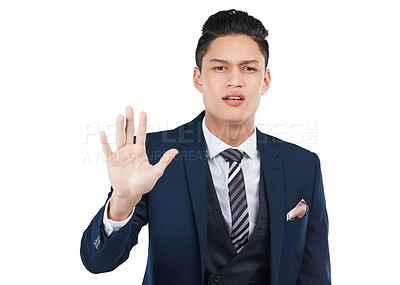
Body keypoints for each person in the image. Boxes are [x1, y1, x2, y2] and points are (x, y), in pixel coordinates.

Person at [80, 9, 331, 285]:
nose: (235, 80)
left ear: (266, 80)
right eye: (220, 67)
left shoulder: (303, 166)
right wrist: (122, 202)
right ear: (198, 78)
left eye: (248, 68)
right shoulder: (154, 156)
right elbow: (97, 262)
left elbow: (314, 275)